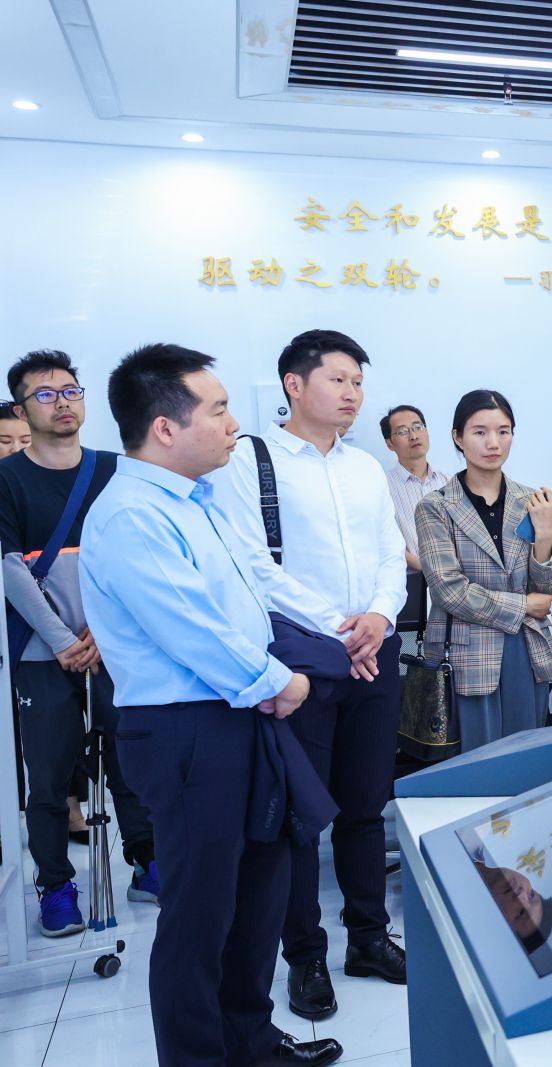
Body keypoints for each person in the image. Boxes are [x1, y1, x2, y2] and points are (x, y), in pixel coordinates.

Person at [81, 343, 340, 1066]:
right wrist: (277, 682)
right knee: (200, 913)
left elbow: (246, 594)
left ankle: (250, 1042)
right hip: (186, 730)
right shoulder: (131, 515)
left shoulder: (198, 500)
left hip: (237, 715)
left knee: (258, 894)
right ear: (165, 427)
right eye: (219, 410)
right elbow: (191, 628)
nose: (234, 425)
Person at [208, 329, 408, 1021]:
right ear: (294, 385)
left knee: (365, 806)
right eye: (339, 379)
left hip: (374, 653)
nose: (352, 393)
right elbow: (253, 565)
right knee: (301, 817)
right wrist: (340, 629)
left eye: (358, 382)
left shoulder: (365, 467)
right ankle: (305, 956)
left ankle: (369, 937)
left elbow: (391, 553)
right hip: (302, 660)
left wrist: (378, 616)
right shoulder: (249, 460)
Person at [0, 350, 156, 936]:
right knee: (48, 776)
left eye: (70, 390)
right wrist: (66, 640)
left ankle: (147, 862)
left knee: (132, 761)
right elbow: (10, 569)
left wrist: (103, 629)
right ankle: (56, 885)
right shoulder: (6, 480)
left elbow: (139, 556)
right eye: (45, 394)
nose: (62, 402)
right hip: (41, 651)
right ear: (22, 410)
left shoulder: (118, 470)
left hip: (116, 646)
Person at [415, 390, 552, 751]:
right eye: (480, 432)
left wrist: (545, 534)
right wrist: (523, 605)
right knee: (476, 763)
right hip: (466, 653)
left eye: (503, 431)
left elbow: (546, 587)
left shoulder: (532, 501)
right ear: (458, 437)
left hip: (527, 648)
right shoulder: (436, 507)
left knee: (528, 757)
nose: (493, 443)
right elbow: (449, 591)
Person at [380, 404, 448, 574]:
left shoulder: (449, 482)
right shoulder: (382, 487)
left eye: (418, 427)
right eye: (402, 431)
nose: (413, 436)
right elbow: (383, 540)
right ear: (389, 444)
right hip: (411, 580)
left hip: (456, 578)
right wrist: (429, 570)